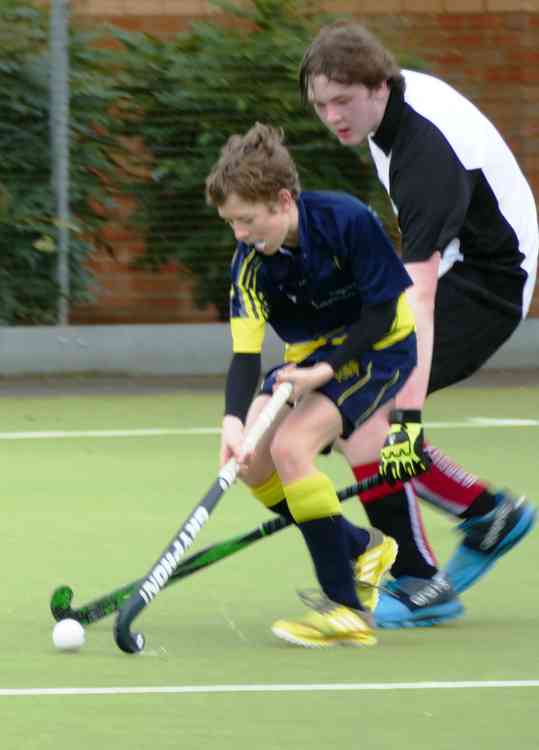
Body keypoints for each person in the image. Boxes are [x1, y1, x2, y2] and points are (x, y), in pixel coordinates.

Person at [299, 22, 539, 628]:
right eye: (321, 104)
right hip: (462, 264)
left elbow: (420, 305)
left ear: (379, 86)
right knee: (354, 410)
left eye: (343, 101)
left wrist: (404, 420)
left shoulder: (421, 155)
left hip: (489, 283)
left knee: (366, 419)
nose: (333, 117)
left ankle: (420, 580)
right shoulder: (390, 114)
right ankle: (487, 512)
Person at [205, 122, 420, 647]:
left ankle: (345, 610)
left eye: (247, 220)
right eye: (230, 222)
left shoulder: (345, 220)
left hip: (379, 346)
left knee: (291, 447)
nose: (239, 233)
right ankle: (359, 546)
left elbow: (381, 311)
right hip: (309, 357)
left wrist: (325, 371)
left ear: (282, 201)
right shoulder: (250, 264)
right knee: (250, 460)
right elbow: (246, 355)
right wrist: (233, 422)